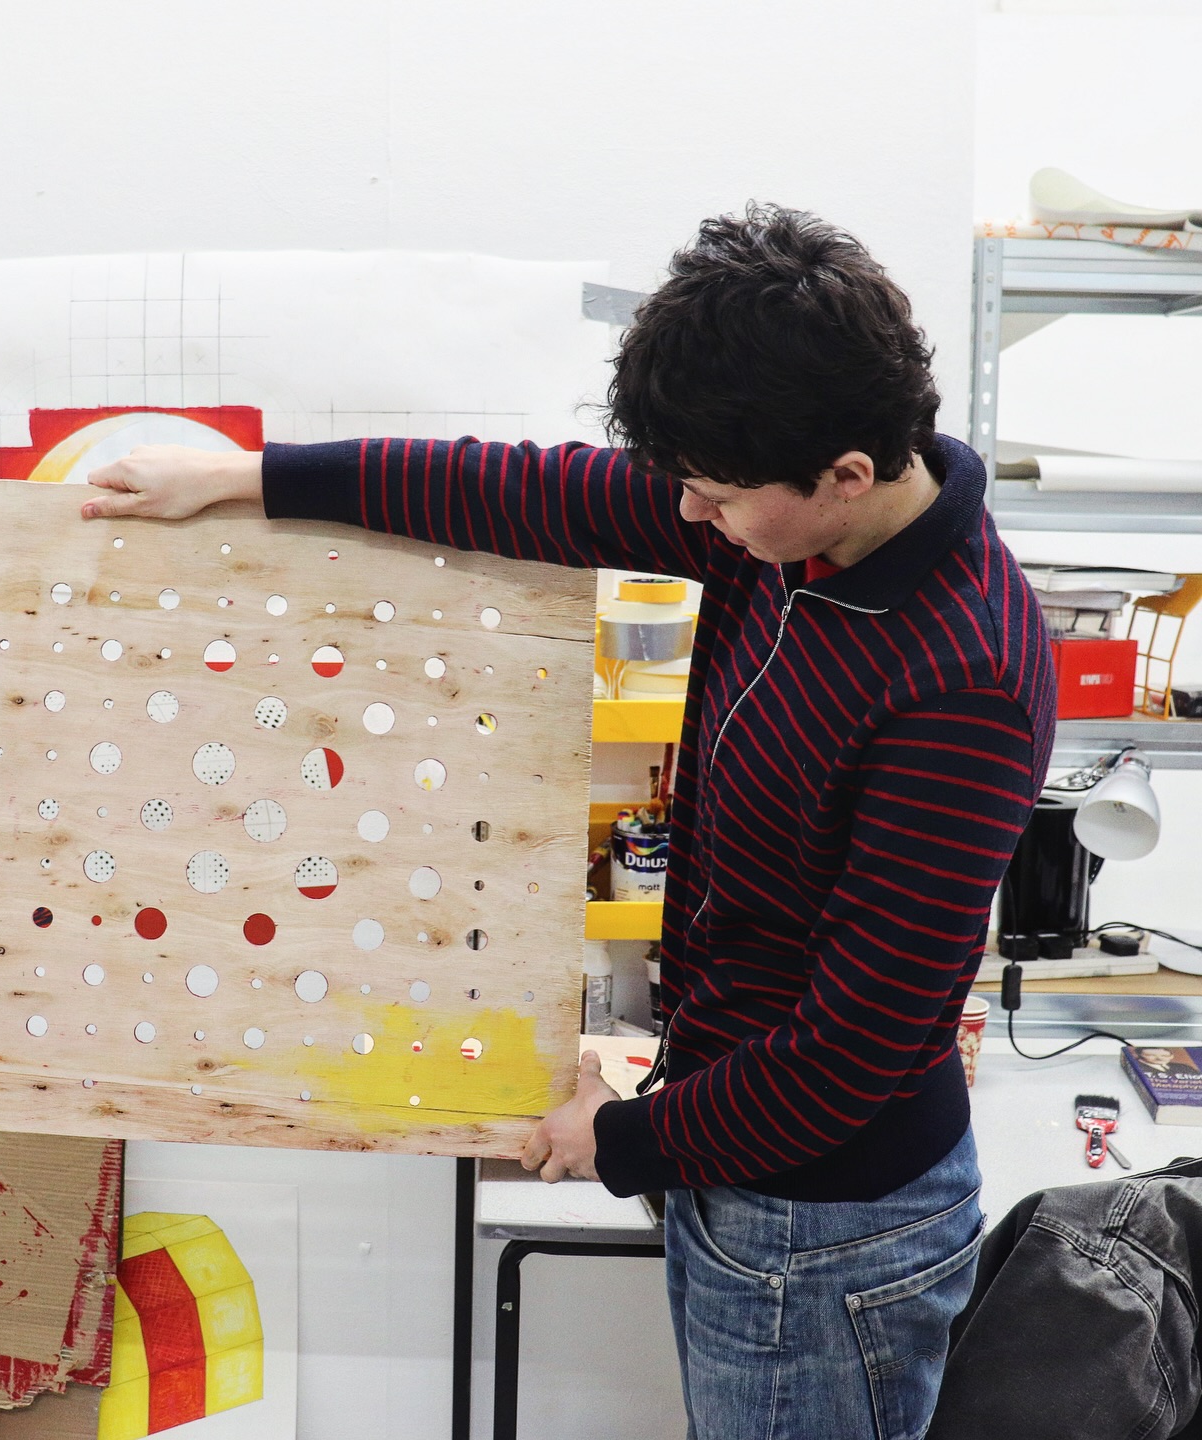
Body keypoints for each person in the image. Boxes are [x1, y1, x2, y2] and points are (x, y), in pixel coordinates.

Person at [80, 204, 1057, 1440]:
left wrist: (624, 1137)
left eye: (712, 497)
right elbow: (530, 491)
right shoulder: (786, 524)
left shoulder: (960, 675)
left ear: (848, 476)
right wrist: (248, 478)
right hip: (740, 1172)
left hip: (824, 1232)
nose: (692, 521)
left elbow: (850, 1053)